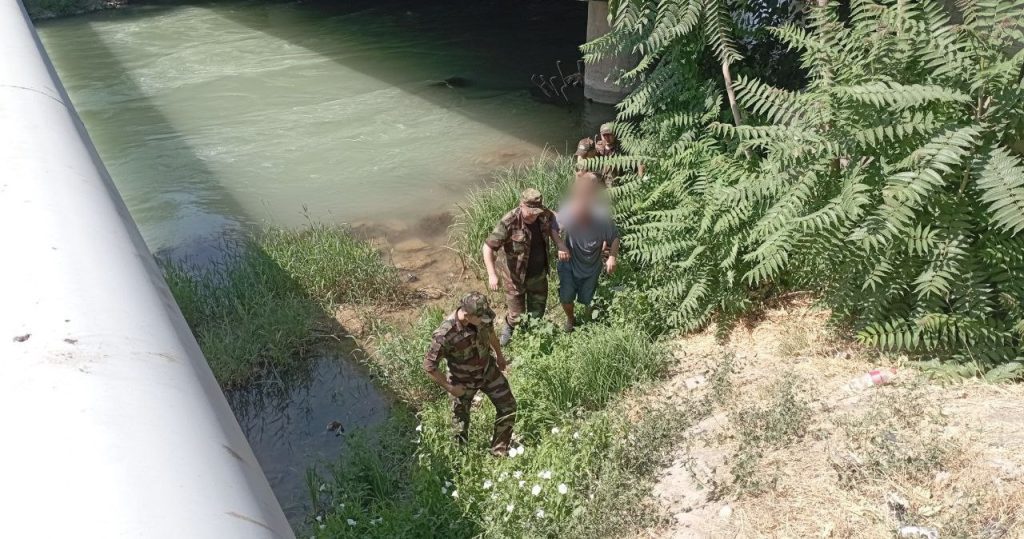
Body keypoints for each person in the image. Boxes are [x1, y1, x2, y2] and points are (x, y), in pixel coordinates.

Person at [423, 292, 516, 456]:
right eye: (481, 318)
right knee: (460, 425)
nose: (486, 320)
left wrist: (499, 356)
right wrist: (451, 388)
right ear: (467, 315)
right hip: (462, 382)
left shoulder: (482, 317)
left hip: (487, 371)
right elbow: (429, 366)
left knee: (508, 407)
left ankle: (498, 451)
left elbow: (490, 333)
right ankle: (462, 460)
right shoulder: (445, 334)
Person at [483, 188, 570, 346]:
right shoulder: (509, 221)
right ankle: (509, 326)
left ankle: (533, 333)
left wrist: (560, 243)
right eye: (531, 211)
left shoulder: (543, 213)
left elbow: (556, 221)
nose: (534, 214)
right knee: (516, 314)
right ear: (521, 205)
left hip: (538, 273)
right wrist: (492, 274)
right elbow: (488, 247)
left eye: (537, 211)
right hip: (515, 277)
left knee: (537, 310)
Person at [557, 173, 620, 333]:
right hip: (569, 264)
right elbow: (553, 227)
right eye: (577, 219)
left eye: (583, 218)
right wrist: (560, 245)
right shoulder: (570, 212)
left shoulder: (601, 218)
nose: (580, 222)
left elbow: (614, 237)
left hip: (591, 266)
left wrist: (612, 257)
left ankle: (587, 323)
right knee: (566, 296)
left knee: (587, 299)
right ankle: (570, 319)